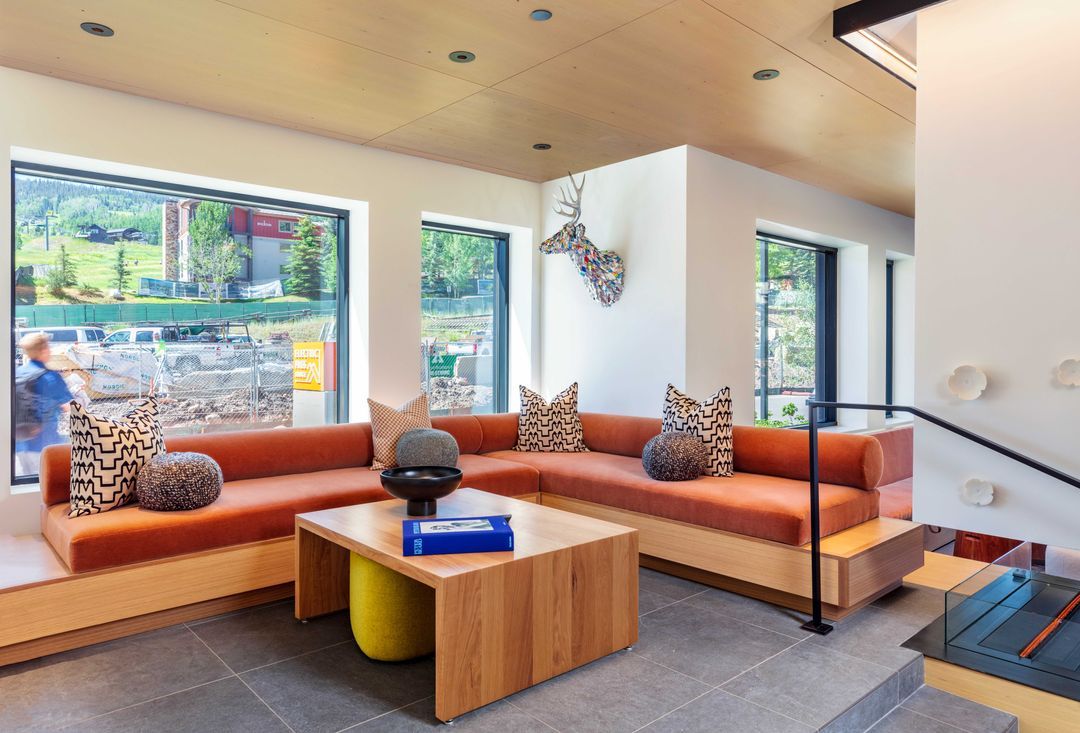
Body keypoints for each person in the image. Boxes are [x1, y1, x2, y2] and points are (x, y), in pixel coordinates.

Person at [14, 332, 73, 478]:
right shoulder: (49, 376)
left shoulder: (16, 373)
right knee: (48, 487)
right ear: (44, 350)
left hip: (20, 443)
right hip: (45, 443)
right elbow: (70, 408)